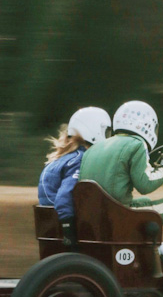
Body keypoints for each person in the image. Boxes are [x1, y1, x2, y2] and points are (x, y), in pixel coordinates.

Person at [79, 100, 163, 255]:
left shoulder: (94, 148)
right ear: (147, 125)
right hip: (120, 216)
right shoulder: (137, 144)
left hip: (96, 216)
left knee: (145, 203)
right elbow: (145, 185)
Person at [38, 106, 111, 247]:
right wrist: (69, 232)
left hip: (51, 224)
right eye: (106, 131)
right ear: (95, 131)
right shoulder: (79, 159)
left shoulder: (63, 158)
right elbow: (64, 197)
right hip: (64, 225)